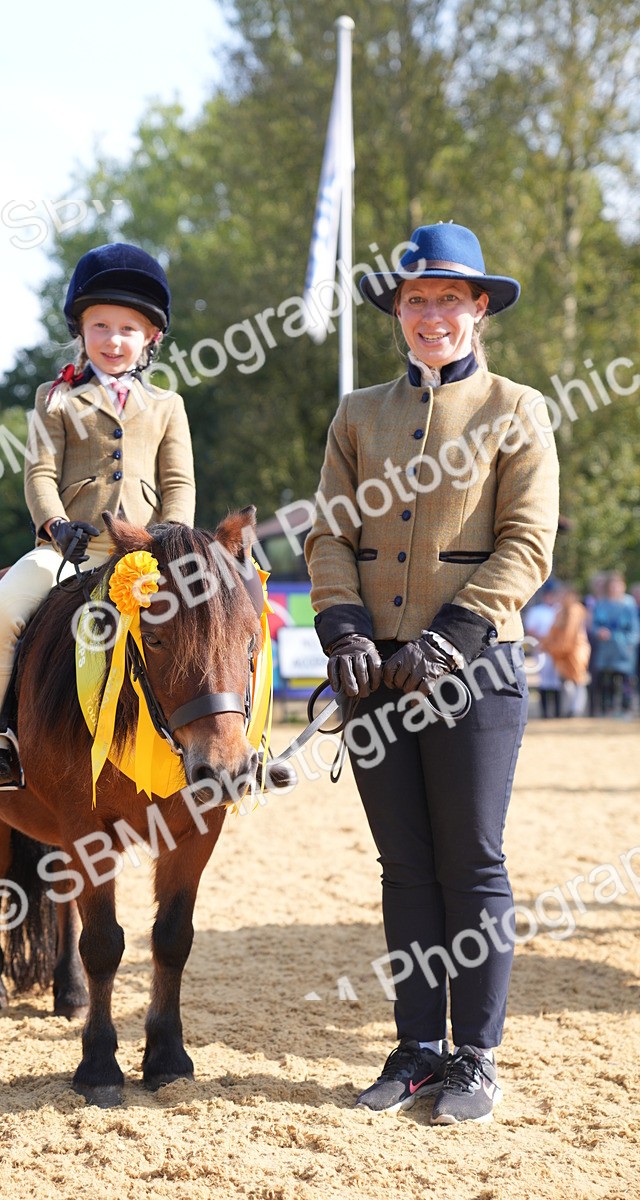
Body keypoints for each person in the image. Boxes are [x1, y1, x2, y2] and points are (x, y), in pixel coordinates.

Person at [304, 222, 559, 1125]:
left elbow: (527, 545)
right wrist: (343, 631)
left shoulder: (517, 411)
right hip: (374, 677)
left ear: (479, 310)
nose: (433, 315)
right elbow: (328, 534)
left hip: (474, 672)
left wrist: (449, 635)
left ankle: (475, 1057)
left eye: (451, 298)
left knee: (473, 861)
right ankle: (416, 1048)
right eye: (418, 299)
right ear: (398, 313)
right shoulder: (355, 414)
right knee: (405, 866)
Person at [0, 243, 196, 789]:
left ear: (150, 339)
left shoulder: (167, 406)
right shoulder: (55, 399)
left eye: (126, 329)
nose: (113, 340)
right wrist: (56, 525)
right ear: (82, 331)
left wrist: (166, 537)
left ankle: (228, 744)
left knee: (207, 624)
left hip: (142, 558)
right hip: (67, 551)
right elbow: (39, 474)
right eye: (100, 326)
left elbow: (178, 484)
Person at [590, 572, 640, 717]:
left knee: (626, 682)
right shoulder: (601, 604)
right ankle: (607, 710)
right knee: (606, 681)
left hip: (624, 652)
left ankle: (625, 710)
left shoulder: (629, 605)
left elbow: (634, 631)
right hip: (606, 651)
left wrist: (623, 641)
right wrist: (599, 632)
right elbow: (594, 626)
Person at [541, 585, 590, 717]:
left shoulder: (576, 610)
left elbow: (570, 634)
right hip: (562, 651)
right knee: (565, 681)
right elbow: (553, 631)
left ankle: (576, 710)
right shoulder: (560, 612)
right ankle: (569, 709)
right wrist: (547, 645)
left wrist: (555, 648)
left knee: (578, 679)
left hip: (575, 649)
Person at [523, 583, 563, 718]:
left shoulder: (560, 610)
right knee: (545, 679)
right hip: (542, 648)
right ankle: (545, 712)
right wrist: (546, 641)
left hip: (558, 649)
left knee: (557, 680)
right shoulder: (537, 611)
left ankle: (558, 712)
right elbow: (531, 630)